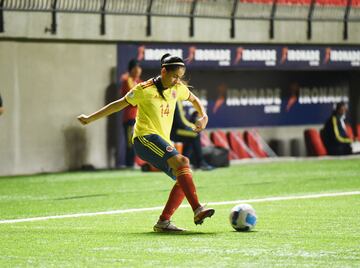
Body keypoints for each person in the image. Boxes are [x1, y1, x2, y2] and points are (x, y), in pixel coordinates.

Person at [78, 53, 215, 232]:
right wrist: (90, 118)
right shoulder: (144, 89)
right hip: (144, 139)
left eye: (180, 77)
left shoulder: (177, 88)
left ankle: (163, 222)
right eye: (174, 76)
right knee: (183, 162)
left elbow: (194, 99)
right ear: (164, 71)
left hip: (160, 141)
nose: (177, 81)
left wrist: (203, 116)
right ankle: (197, 209)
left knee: (183, 178)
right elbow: (118, 104)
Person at [171, 101, 213, 170]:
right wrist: (193, 127)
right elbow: (180, 122)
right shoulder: (175, 100)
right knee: (195, 135)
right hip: (173, 131)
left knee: (191, 136)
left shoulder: (176, 99)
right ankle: (200, 163)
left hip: (174, 129)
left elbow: (181, 121)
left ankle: (184, 163)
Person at [120, 59, 142, 168]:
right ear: (131, 70)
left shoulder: (140, 82)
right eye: (135, 68)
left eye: (139, 68)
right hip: (130, 117)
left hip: (139, 118)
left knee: (138, 141)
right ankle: (129, 164)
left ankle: (135, 162)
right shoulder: (127, 80)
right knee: (130, 142)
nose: (138, 70)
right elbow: (134, 99)